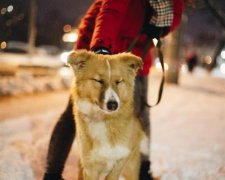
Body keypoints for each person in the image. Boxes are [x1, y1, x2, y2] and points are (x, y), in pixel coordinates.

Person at [43, 0, 184, 179]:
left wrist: (162, 29)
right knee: (75, 112)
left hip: (135, 51)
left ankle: (142, 170)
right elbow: (110, 12)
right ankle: (52, 173)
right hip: (100, 46)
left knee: (141, 113)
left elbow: (175, 15)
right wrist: (101, 47)